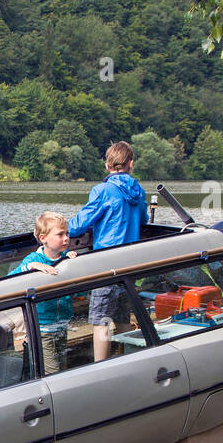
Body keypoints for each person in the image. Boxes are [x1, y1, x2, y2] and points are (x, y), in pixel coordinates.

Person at [68, 141, 147, 361]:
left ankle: (100, 368)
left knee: (100, 320)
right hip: (130, 265)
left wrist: (57, 228)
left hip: (106, 265)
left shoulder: (103, 190)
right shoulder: (138, 190)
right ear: (131, 164)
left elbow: (79, 225)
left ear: (107, 166)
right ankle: (129, 360)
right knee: (122, 318)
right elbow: (143, 219)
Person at [11, 211, 75, 372]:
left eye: (67, 233)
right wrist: (32, 267)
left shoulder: (65, 258)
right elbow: (10, 278)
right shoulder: (34, 259)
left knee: (62, 367)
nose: (66, 238)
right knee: (51, 372)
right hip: (42, 329)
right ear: (43, 238)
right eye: (60, 234)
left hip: (62, 325)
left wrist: (75, 264)